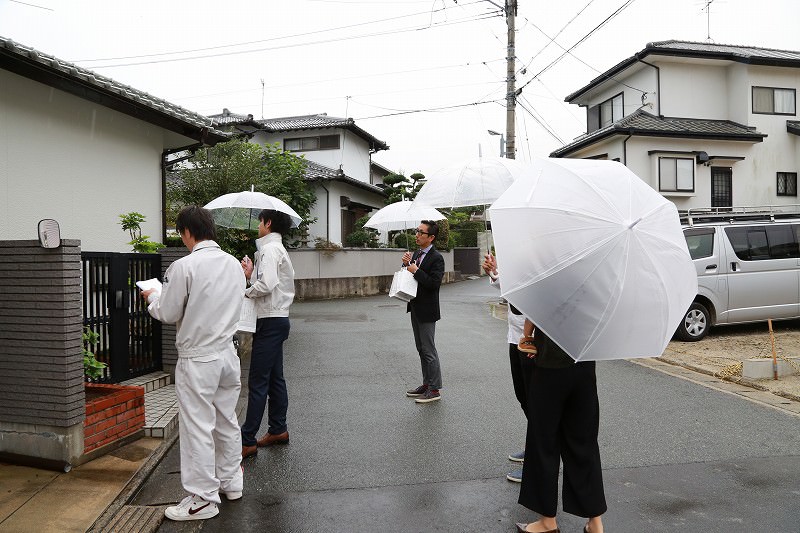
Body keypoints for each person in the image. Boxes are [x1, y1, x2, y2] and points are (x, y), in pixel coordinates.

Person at [141, 206, 245, 521]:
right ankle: (231, 481)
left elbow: (169, 312)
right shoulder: (234, 265)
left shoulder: (183, 267)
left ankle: (202, 498)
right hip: (227, 353)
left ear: (187, 232)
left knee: (198, 426)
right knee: (225, 419)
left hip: (198, 358)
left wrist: (151, 297)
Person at [515, 329, 606, 533]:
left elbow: (520, 310)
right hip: (584, 366)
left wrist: (528, 335)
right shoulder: (598, 295)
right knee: (584, 444)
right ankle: (595, 522)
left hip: (550, 366)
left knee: (543, 442)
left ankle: (547, 521)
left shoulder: (544, 294)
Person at [240, 209, 296, 459]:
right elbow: (269, 282)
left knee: (258, 381)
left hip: (270, 320)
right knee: (274, 378)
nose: (257, 225)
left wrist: (246, 289)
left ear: (268, 223)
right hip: (276, 319)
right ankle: (278, 429)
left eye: (259, 221)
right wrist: (252, 275)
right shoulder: (272, 249)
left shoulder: (270, 249)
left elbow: (268, 285)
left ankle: (247, 439)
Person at [483, 252, 529, 484]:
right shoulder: (520, 256)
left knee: (536, 402)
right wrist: (494, 271)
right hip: (516, 336)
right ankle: (533, 447)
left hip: (533, 343)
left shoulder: (539, 257)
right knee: (523, 396)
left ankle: (537, 463)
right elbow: (511, 286)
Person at [402, 220, 445, 404]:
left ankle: (434, 389)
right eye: (416, 231)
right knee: (420, 348)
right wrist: (407, 264)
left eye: (421, 232)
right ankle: (426, 384)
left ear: (431, 237)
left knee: (428, 349)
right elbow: (412, 277)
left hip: (427, 310)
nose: (417, 235)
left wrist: (416, 270)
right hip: (415, 306)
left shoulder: (437, 258)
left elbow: (434, 284)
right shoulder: (418, 253)